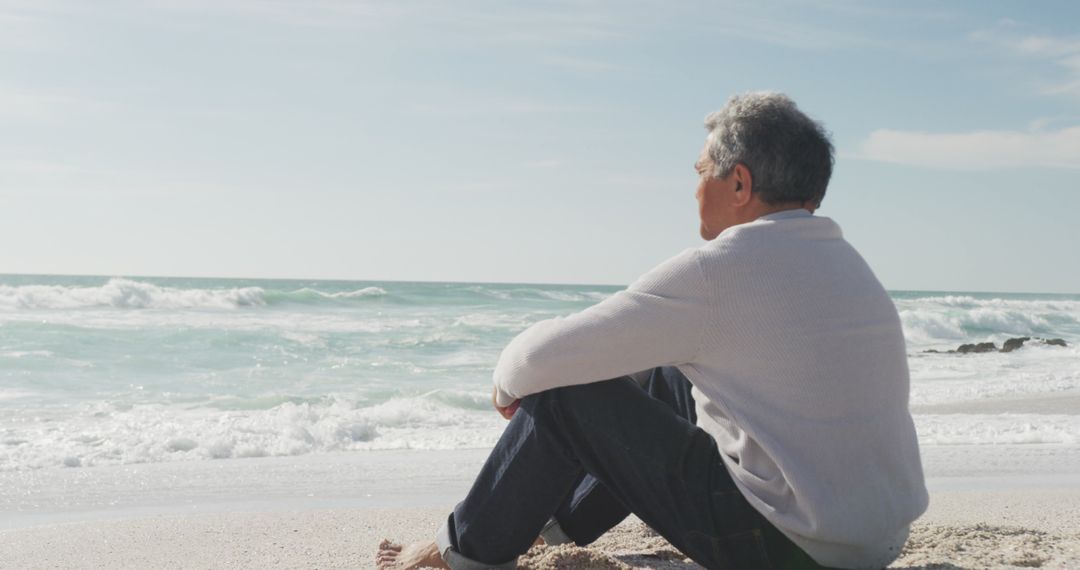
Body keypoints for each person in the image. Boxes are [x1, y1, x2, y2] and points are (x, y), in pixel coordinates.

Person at [377, 92, 928, 570]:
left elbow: (536, 360)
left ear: (739, 182)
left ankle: (466, 550)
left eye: (699, 171)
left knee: (566, 392)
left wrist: (505, 387)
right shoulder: (850, 264)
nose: (693, 189)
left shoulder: (723, 268)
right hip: (875, 542)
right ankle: (552, 529)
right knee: (666, 375)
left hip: (789, 550)